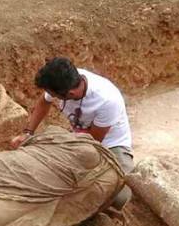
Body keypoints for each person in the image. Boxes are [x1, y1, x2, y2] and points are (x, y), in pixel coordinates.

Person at [10, 57, 134, 207]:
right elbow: (44, 102)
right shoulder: (67, 80)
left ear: (70, 94)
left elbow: (93, 142)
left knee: (121, 198)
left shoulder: (107, 100)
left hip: (110, 145)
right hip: (79, 138)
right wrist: (28, 133)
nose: (52, 97)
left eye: (55, 96)